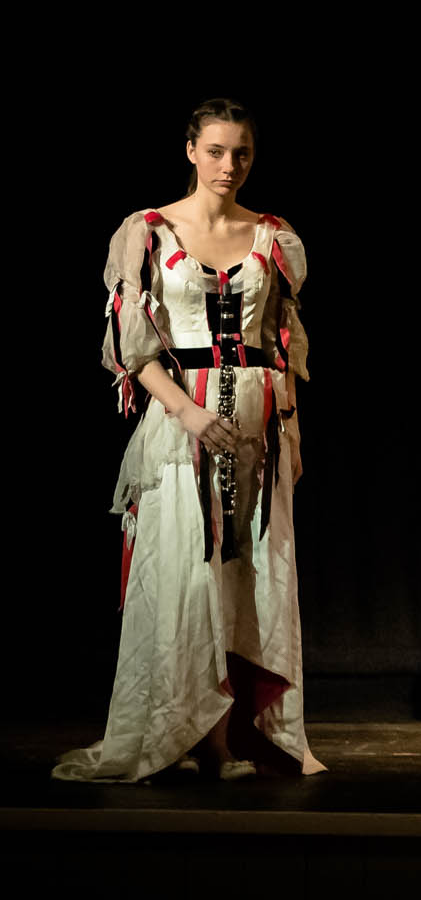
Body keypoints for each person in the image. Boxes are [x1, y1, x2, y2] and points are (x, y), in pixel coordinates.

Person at [56, 99, 317, 782]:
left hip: (258, 424)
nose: (229, 165)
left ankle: (237, 732)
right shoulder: (145, 232)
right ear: (191, 150)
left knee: (247, 577)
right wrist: (189, 414)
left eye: (242, 153)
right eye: (217, 151)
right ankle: (192, 732)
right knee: (187, 577)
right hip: (182, 426)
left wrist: (289, 430)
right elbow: (133, 350)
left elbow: (283, 342)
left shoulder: (273, 235)